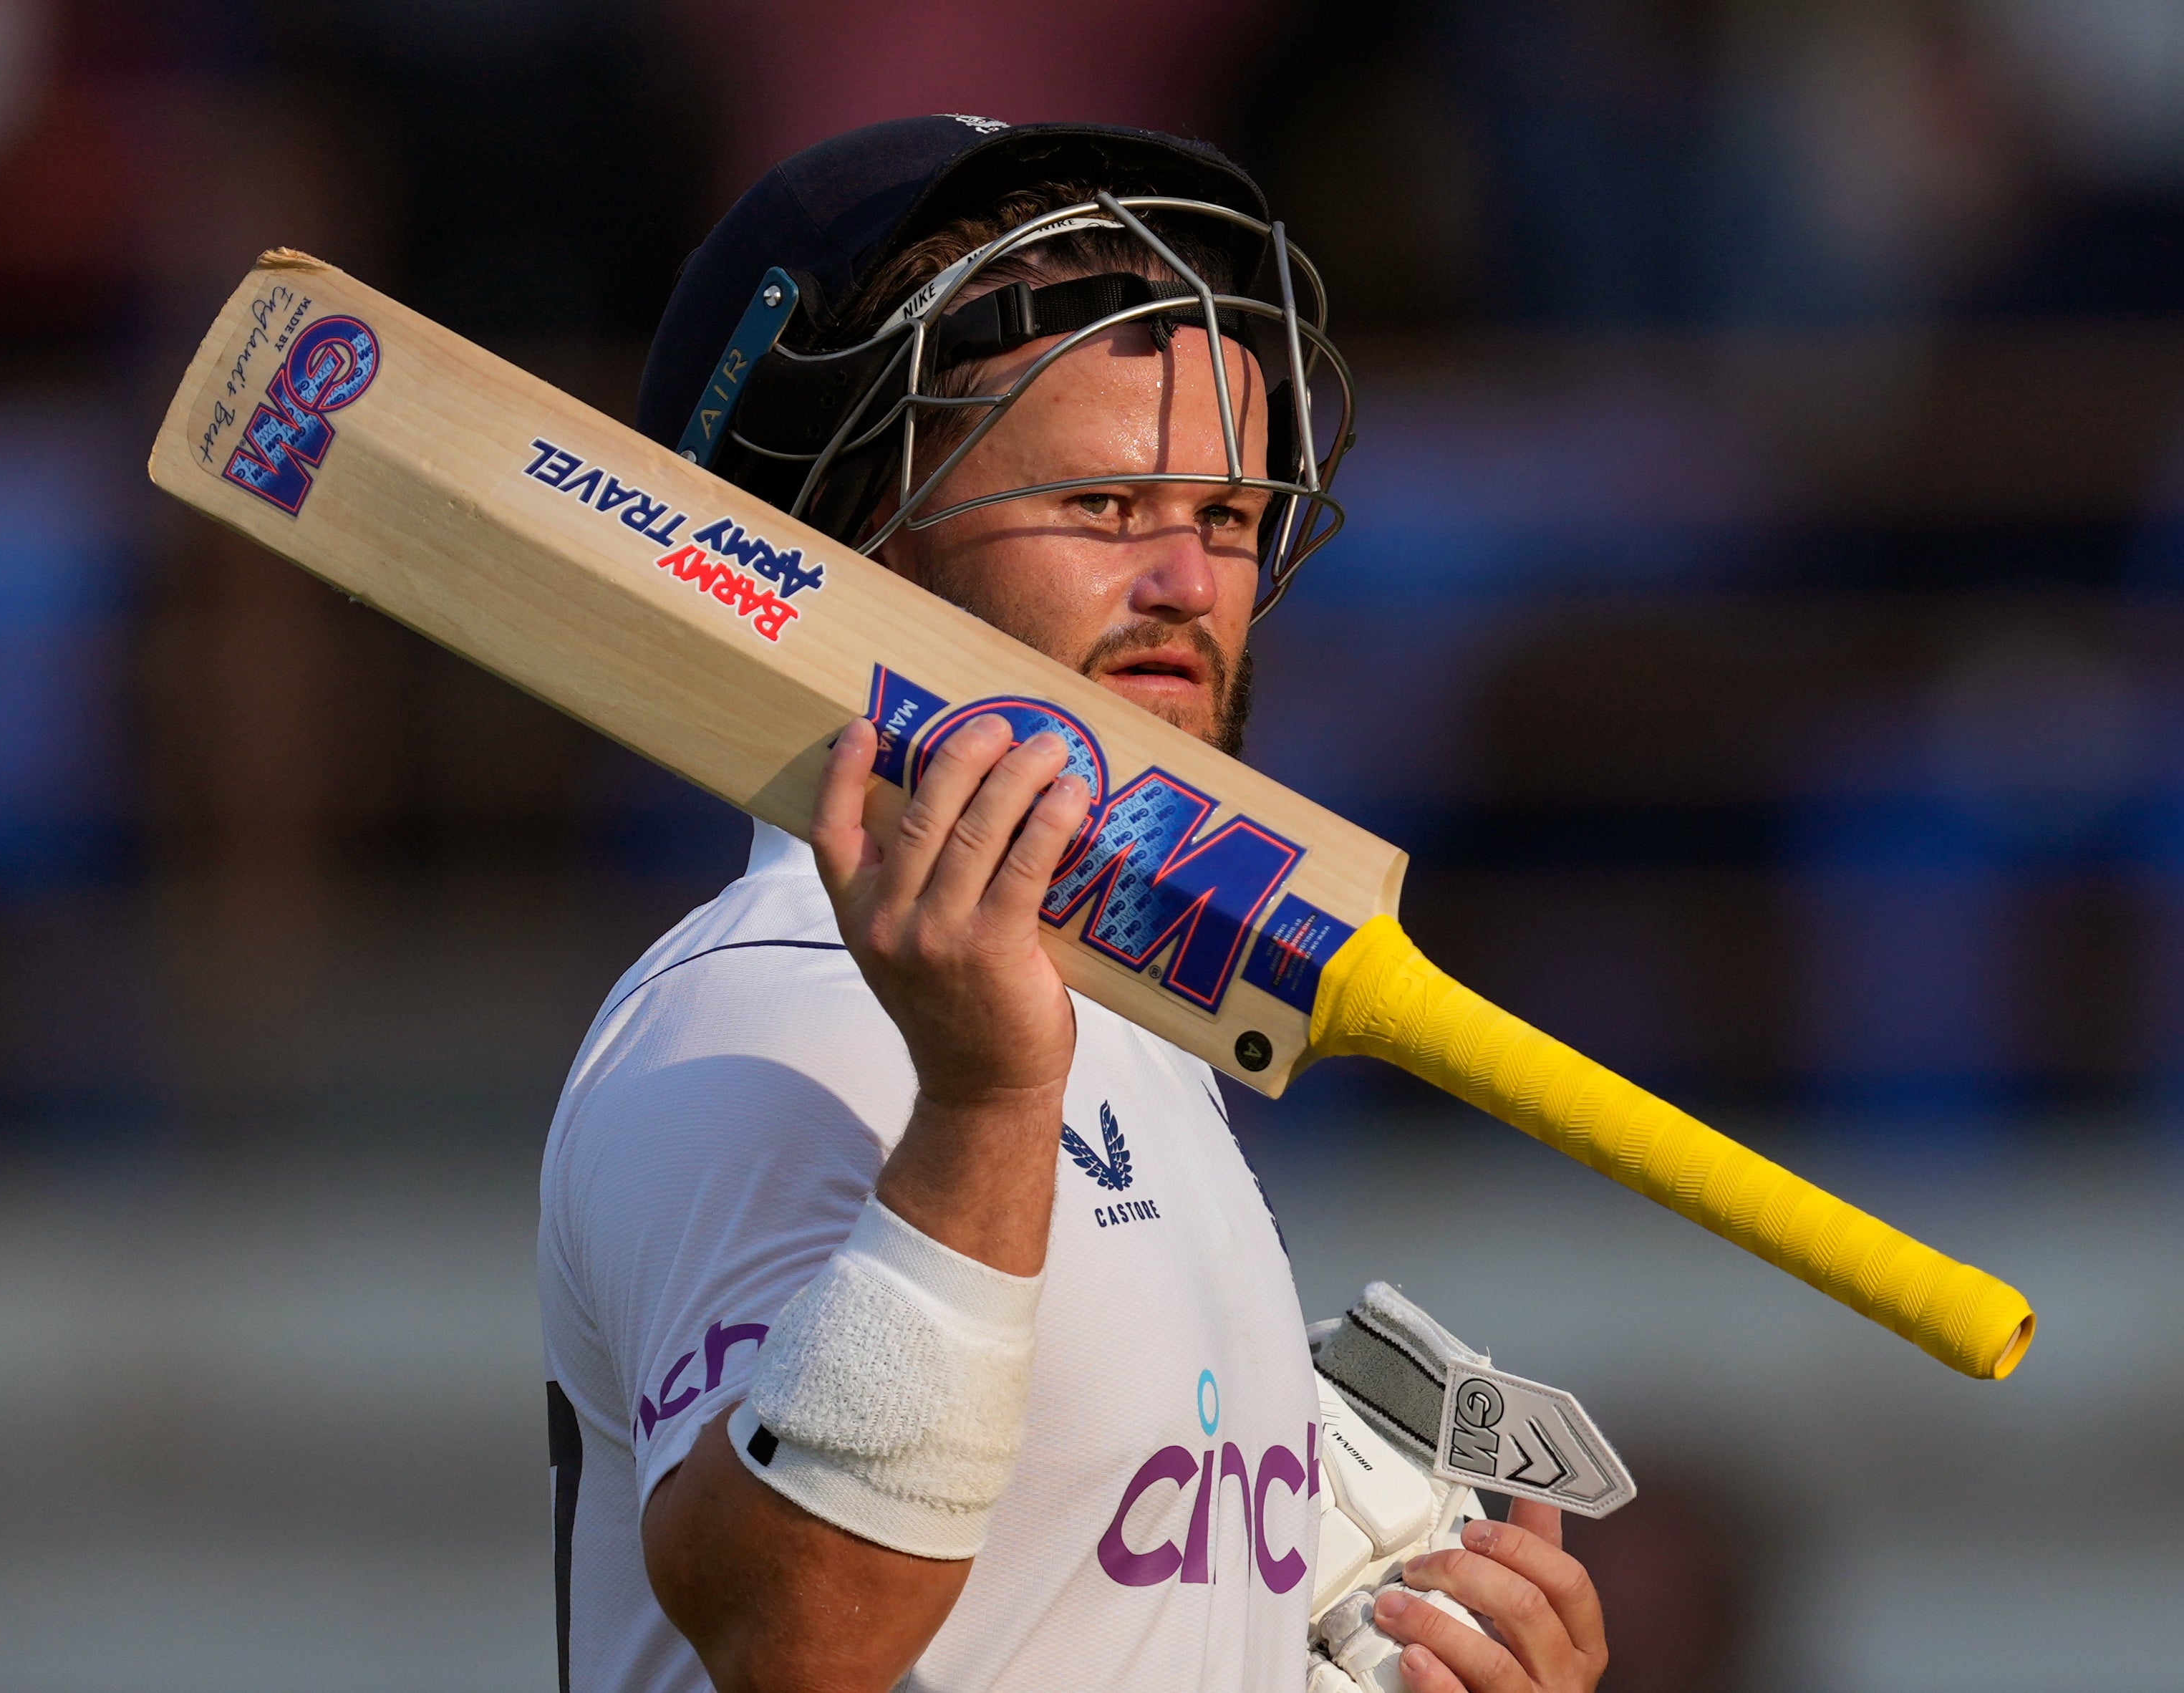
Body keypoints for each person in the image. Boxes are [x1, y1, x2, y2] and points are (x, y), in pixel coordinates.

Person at [538, 115, 1610, 1693]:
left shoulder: (1123, 1037)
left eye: (1229, 520)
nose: (1187, 583)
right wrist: (981, 1107)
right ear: (851, 538)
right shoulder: (769, 1012)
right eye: (1106, 512)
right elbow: (797, 1637)